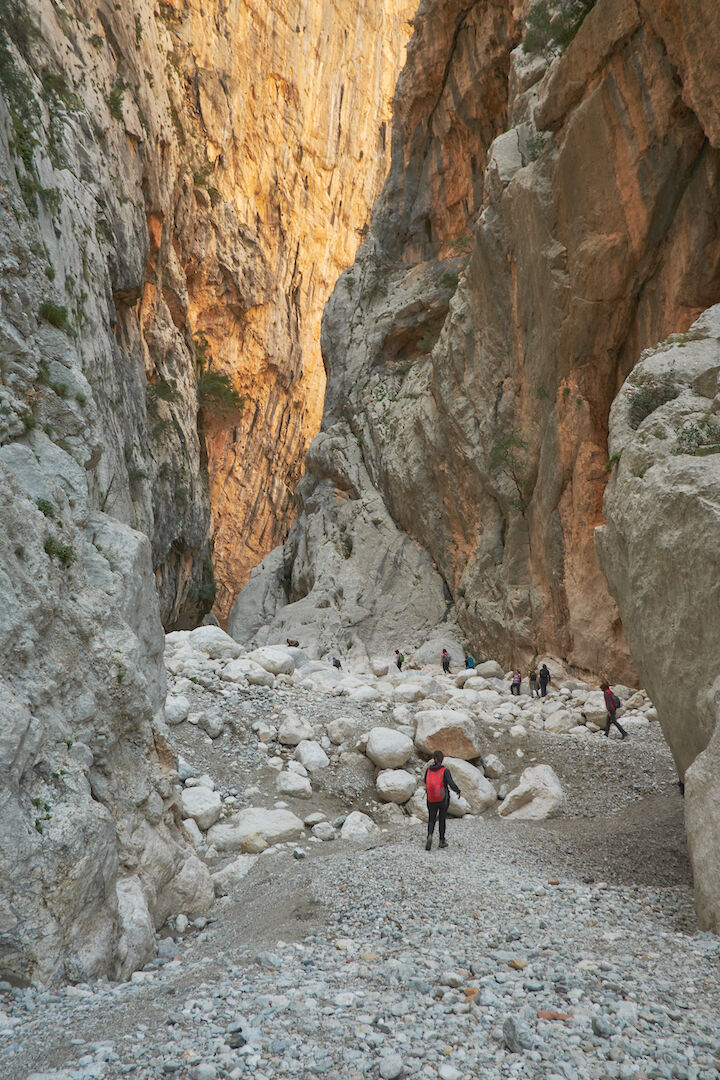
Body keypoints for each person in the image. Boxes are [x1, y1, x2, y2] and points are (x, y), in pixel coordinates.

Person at [424, 750, 461, 850]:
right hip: (442, 799)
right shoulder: (445, 771)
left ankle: (430, 835)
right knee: (442, 819)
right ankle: (441, 841)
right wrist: (458, 791)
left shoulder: (428, 770)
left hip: (431, 799)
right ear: (442, 759)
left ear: (433, 759)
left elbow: (425, 781)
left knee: (431, 819)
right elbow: (451, 784)